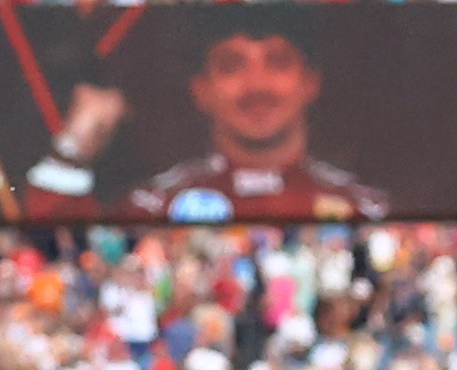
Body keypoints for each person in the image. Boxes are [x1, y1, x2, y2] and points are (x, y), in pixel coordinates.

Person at [127, 12, 387, 224]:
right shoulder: (152, 208)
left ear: (310, 82)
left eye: (278, 62)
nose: (257, 85)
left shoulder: (364, 209)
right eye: (232, 65)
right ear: (201, 89)